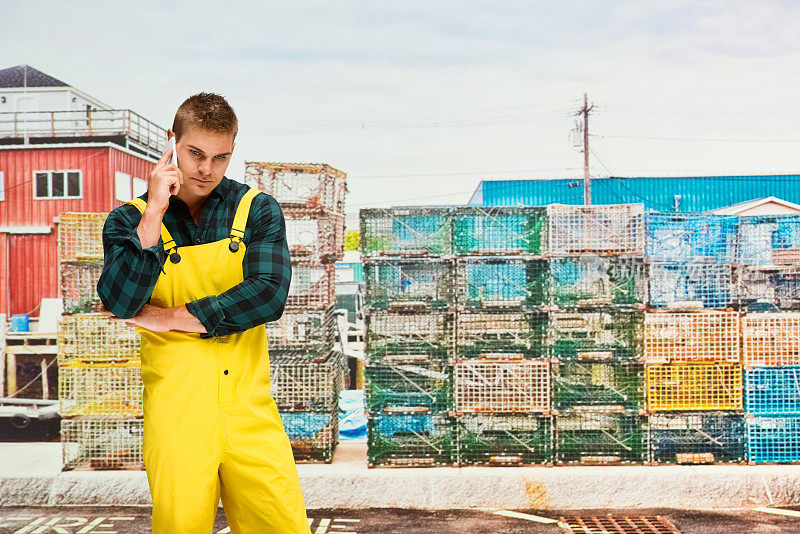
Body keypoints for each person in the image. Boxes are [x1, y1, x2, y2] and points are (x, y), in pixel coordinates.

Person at [97, 93, 310, 533]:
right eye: (195, 153)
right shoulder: (127, 220)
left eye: (221, 157)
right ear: (171, 141)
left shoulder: (257, 210)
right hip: (177, 414)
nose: (206, 170)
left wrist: (168, 317)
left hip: (249, 411)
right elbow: (120, 300)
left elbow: (268, 295)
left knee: (282, 524)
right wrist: (154, 213)